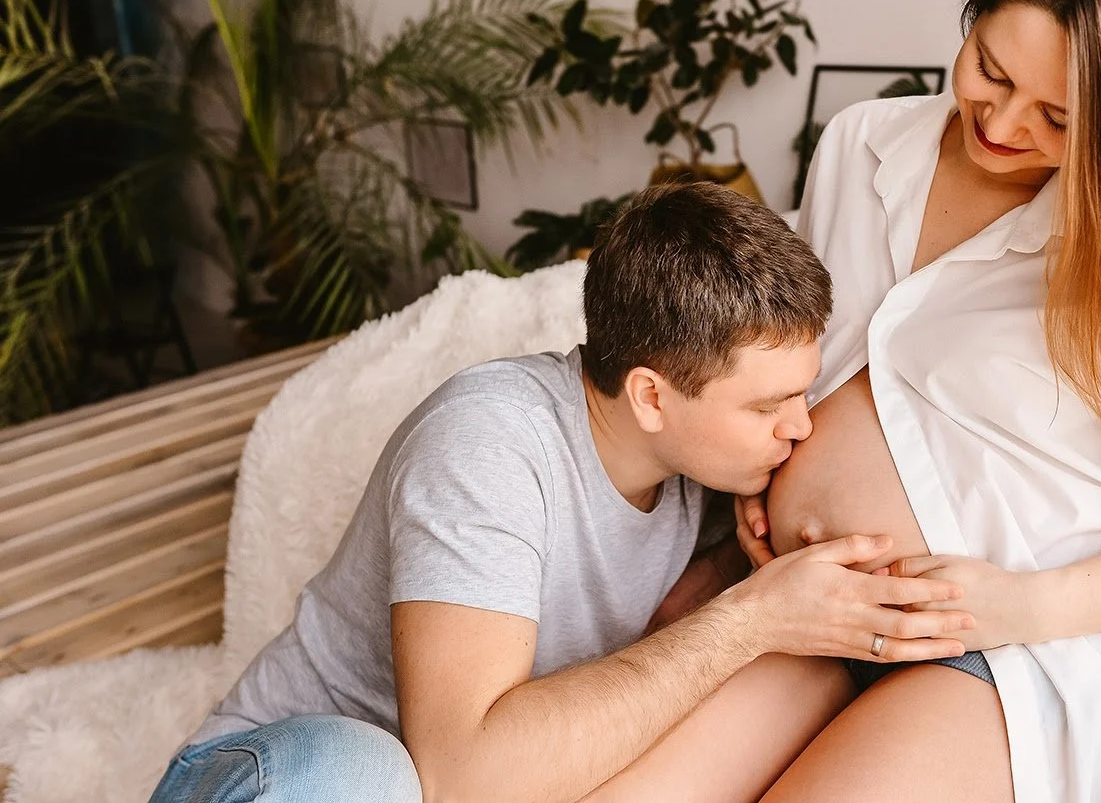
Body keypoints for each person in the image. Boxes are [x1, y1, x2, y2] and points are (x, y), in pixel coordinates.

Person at [581, 0, 1101, 803]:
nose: (998, 123)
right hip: (803, 603)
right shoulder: (860, 144)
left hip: (1000, 653)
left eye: (1057, 118)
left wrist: (1015, 603)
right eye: (990, 68)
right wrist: (758, 486)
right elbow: (802, 355)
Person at [144, 182, 974, 803]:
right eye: (765, 405)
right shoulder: (487, 444)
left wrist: (745, 561)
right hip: (279, 777)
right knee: (366, 774)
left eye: (801, 392)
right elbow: (463, 774)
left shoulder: (705, 471)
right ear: (650, 395)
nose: (799, 426)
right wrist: (749, 616)